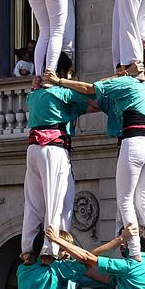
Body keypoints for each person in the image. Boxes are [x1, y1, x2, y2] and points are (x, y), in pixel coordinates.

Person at [55, 70, 145, 261]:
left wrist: (59, 81)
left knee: (125, 201)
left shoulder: (126, 85)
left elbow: (90, 89)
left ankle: (134, 251)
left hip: (132, 143)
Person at [22, 57, 93, 263]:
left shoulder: (34, 96)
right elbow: (91, 92)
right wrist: (62, 82)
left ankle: (27, 249)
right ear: (62, 73)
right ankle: (50, 249)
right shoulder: (63, 93)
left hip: (33, 149)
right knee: (58, 200)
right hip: (54, 149)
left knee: (33, 202)